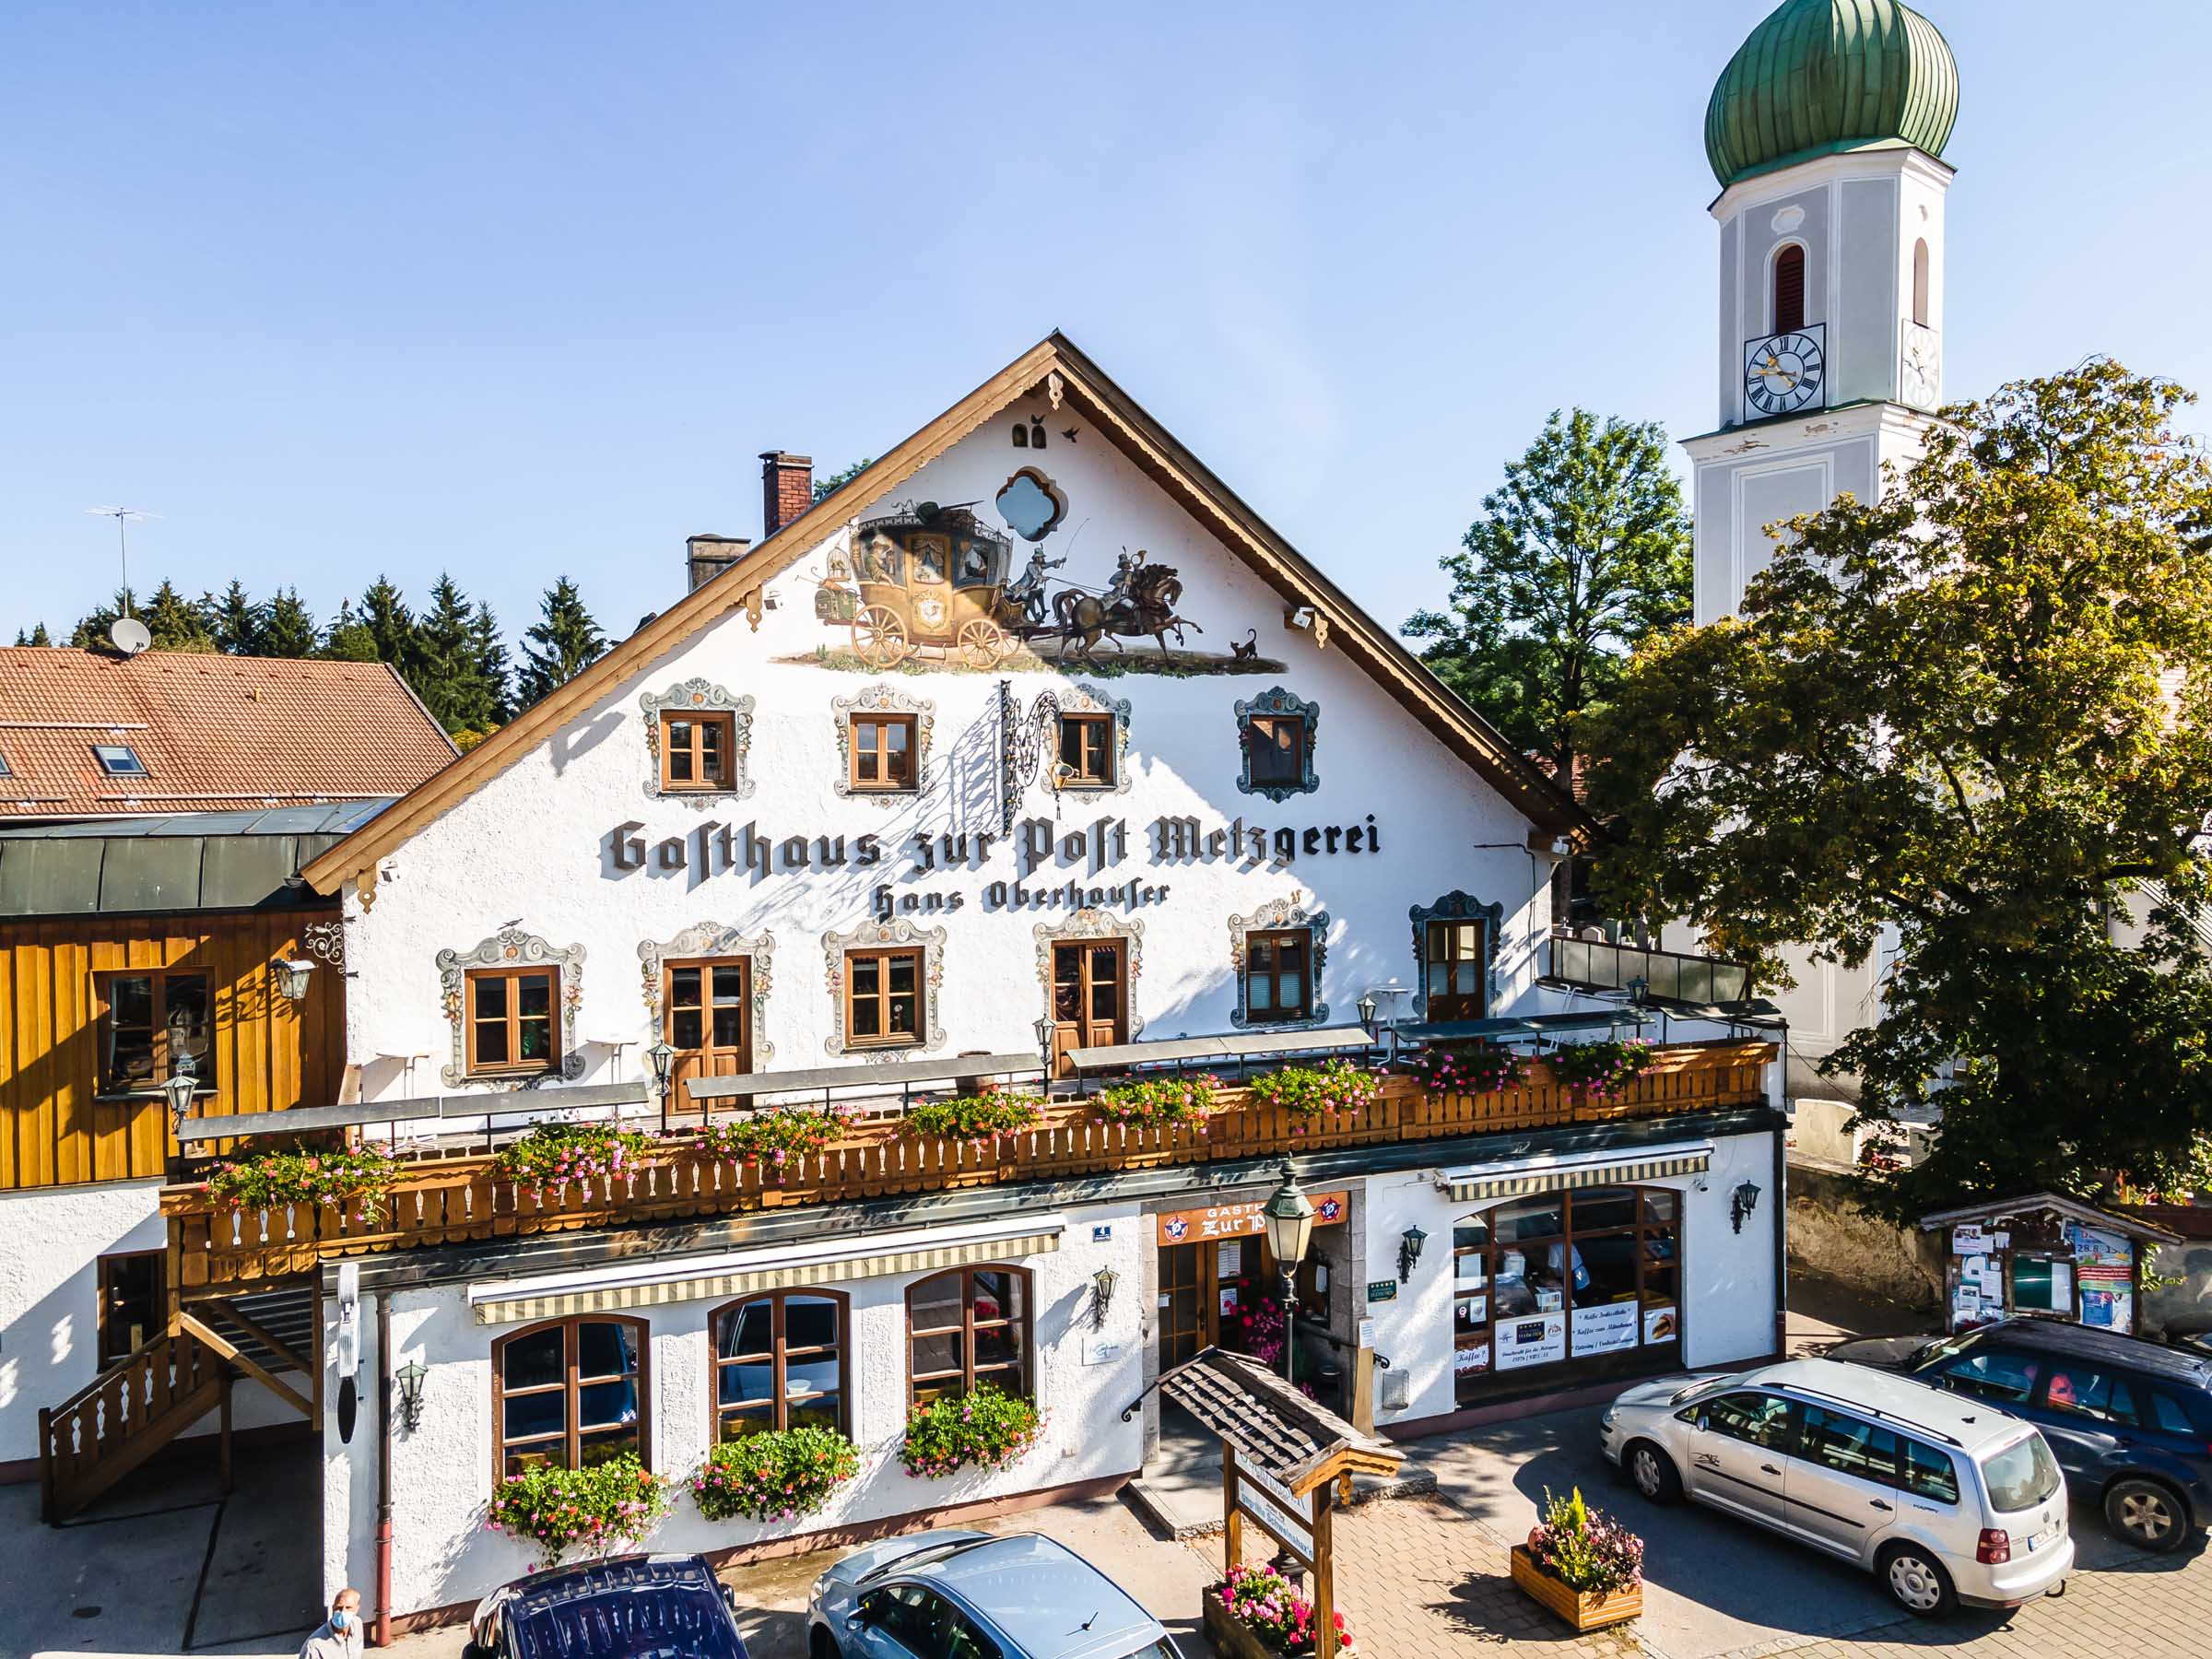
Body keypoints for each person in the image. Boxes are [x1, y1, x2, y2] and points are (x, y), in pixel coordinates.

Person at [300, 1589, 363, 1659]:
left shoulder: (357, 1625)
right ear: (333, 1609)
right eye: (339, 1608)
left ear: (356, 1609)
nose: (343, 1612)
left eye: (348, 1608)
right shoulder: (314, 1646)